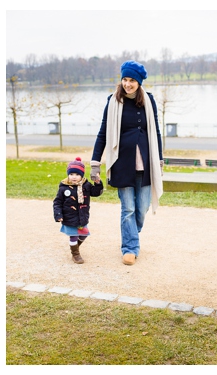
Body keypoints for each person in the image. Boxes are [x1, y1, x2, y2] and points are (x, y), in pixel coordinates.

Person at [90, 60, 164, 266]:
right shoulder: (113, 101)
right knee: (128, 209)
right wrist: (95, 162)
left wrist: (159, 160)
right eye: (125, 79)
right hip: (122, 163)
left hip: (146, 163)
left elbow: (155, 131)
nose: (127, 84)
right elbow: (103, 133)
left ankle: (131, 234)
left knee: (141, 209)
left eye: (132, 80)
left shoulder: (148, 101)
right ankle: (130, 247)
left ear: (139, 82)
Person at [53, 157, 103, 264]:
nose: (74, 177)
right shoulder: (64, 188)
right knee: (73, 235)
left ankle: (74, 247)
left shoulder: (86, 185)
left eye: (77, 174)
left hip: (82, 216)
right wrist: (58, 215)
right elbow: (57, 202)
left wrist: (98, 183)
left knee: (84, 234)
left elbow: (96, 192)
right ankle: (75, 254)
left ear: (82, 175)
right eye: (71, 174)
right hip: (69, 216)